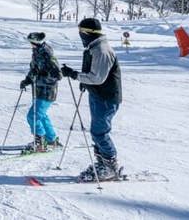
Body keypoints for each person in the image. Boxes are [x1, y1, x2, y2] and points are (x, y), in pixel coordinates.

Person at [61, 17, 123, 181]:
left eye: (81, 32)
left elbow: (97, 78)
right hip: (98, 95)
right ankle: (102, 163)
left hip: (106, 97)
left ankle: (110, 166)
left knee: (100, 132)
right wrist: (84, 82)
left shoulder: (102, 50)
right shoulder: (93, 47)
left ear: (88, 33)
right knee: (96, 131)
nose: (80, 36)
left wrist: (76, 75)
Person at [20, 31, 62, 153]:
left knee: (32, 116)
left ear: (36, 42)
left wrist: (44, 75)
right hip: (38, 89)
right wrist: (27, 80)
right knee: (41, 116)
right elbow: (34, 69)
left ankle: (40, 142)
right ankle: (51, 139)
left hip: (47, 91)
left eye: (31, 43)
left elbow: (58, 75)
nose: (30, 45)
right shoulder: (36, 53)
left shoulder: (47, 54)